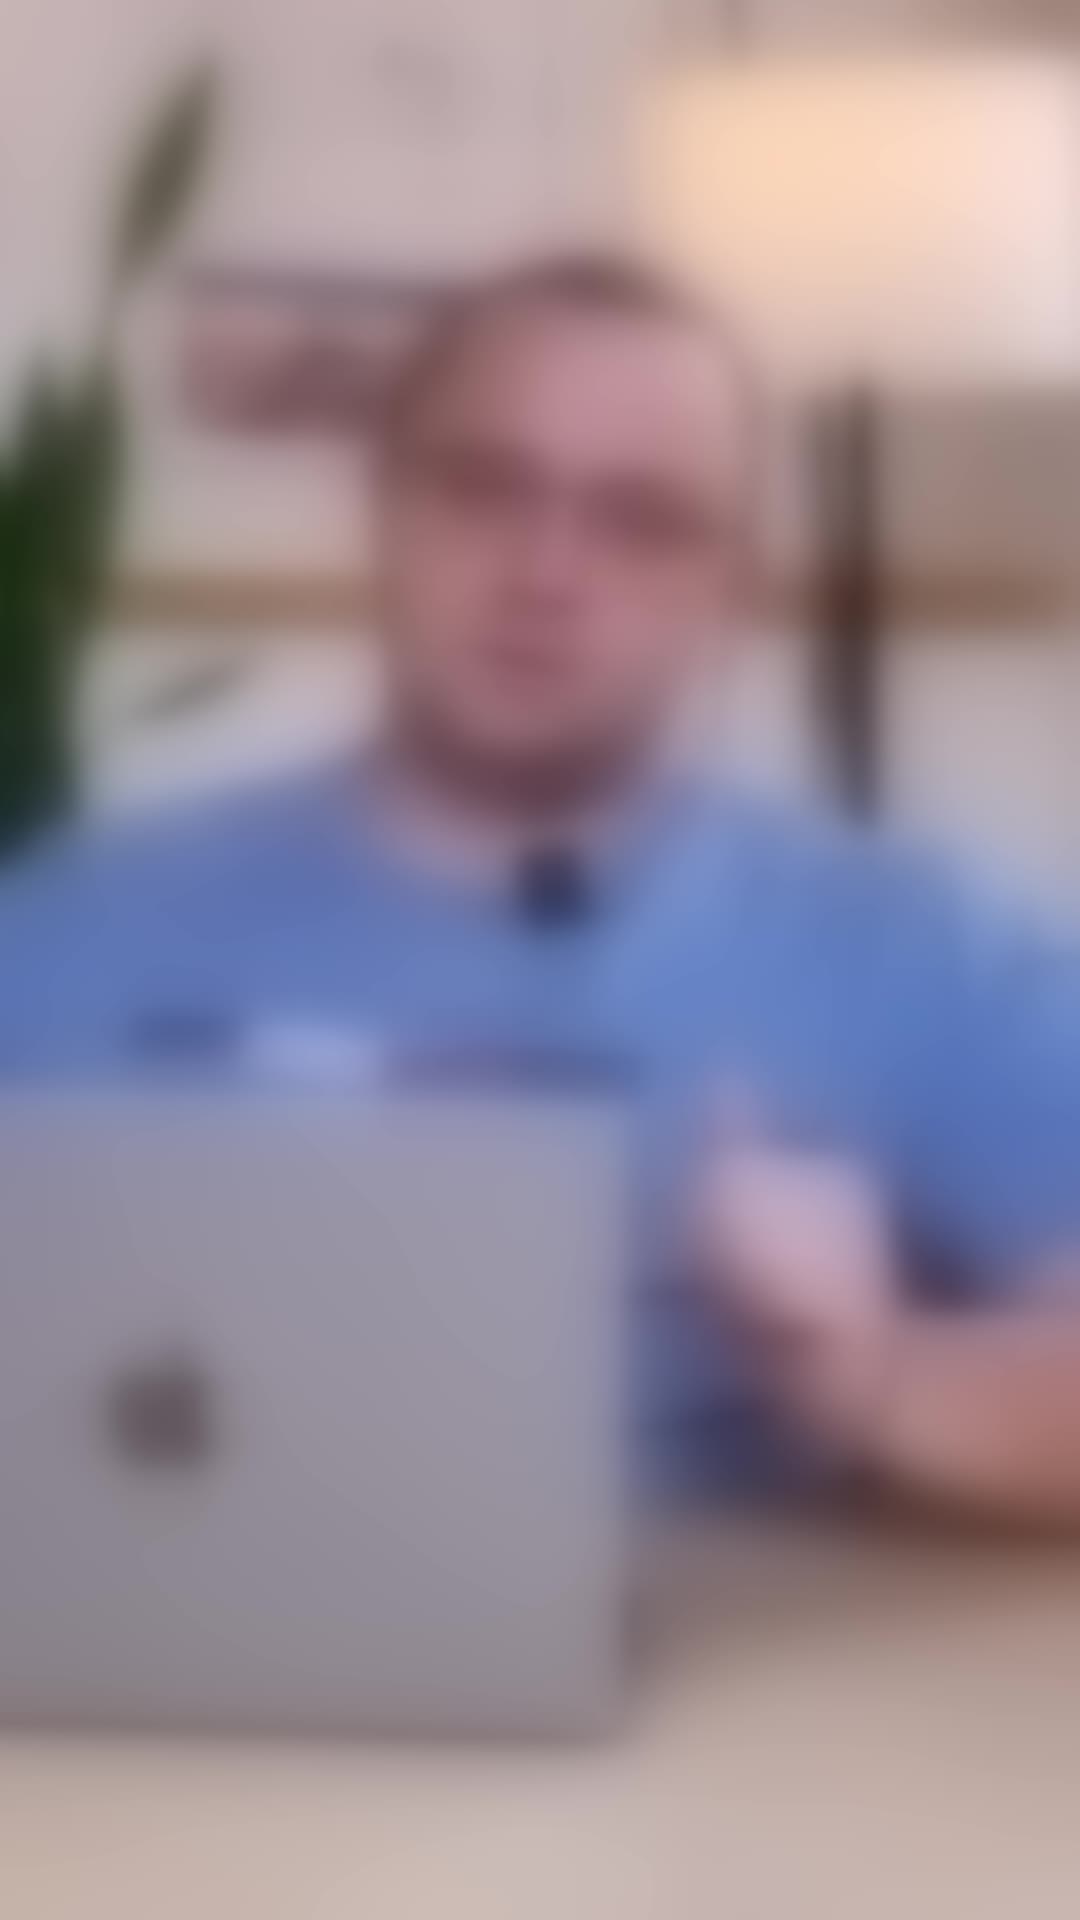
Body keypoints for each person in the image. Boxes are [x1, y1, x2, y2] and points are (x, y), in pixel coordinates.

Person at [3, 252, 1080, 1521]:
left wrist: (874, 1378)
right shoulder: (66, 933)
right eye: (483, 488)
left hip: (710, 1638)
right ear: (383, 511)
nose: (546, 571)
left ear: (730, 590)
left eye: (640, 521)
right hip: (157, 1627)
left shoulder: (915, 945)